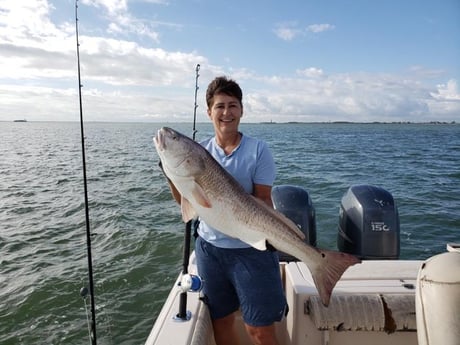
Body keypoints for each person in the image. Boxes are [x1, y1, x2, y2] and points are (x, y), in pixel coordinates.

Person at [193, 76, 287, 345]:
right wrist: (172, 174)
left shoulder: (259, 150)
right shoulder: (199, 153)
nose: (226, 113)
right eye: (220, 106)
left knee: (260, 331)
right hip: (210, 251)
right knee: (220, 322)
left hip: (251, 251)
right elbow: (185, 204)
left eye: (233, 105)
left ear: (242, 110)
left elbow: (263, 201)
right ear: (209, 111)